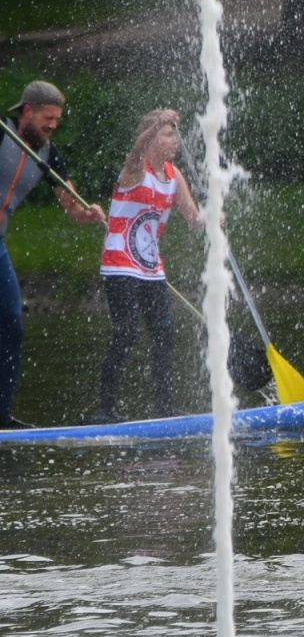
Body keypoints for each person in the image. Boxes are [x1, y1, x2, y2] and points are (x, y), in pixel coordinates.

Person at [0, 81, 108, 428]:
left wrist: (87, 212)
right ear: (27, 111)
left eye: (57, 120)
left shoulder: (48, 154)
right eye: (48, 118)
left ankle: (1, 413)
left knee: (12, 324)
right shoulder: (2, 131)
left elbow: (71, 206)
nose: (52, 126)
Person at [91, 109, 202, 421]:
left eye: (174, 133)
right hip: (120, 266)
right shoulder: (136, 168)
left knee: (165, 335)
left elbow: (194, 219)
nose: (175, 140)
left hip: (152, 270)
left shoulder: (173, 175)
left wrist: (215, 217)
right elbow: (137, 149)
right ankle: (105, 411)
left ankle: (165, 408)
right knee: (126, 333)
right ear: (153, 136)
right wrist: (156, 124)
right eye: (168, 134)